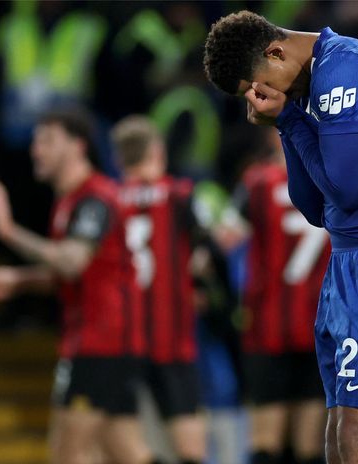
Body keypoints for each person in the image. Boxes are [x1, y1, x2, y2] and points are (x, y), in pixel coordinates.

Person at [203, 11, 358, 464]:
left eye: (261, 86)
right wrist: (286, 120)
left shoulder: (345, 68)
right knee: (337, 438)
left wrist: (292, 121)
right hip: (350, 262)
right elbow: (315, 207)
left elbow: (348, 192)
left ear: (276, 52)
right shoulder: (313, 84)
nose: (264, 98)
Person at [0, 110, 153, 464]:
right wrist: (19, 280)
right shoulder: (70, 201)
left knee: (68, 454)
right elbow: (75, 274)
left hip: (101, 343)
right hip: (108, 341)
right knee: (126, 452)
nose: (36, 150)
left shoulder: (94, 199)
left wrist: (8, 231)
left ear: (77, 146)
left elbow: (72, 261)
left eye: (47, 140)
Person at [111, 115, 207, 464]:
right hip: (173, 337)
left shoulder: (109, 200)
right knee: (190, 447)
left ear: (120, 158)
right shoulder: (180, 195)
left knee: (118, 441)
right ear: (156, 150)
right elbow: (207, 252)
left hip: (122, 339)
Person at [234, 127, 329, 464]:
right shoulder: (335, 178)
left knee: (265, 442)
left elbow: (228, 238)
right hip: (322, 326)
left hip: (267, 326)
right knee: (309, 445)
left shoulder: (256, 183)